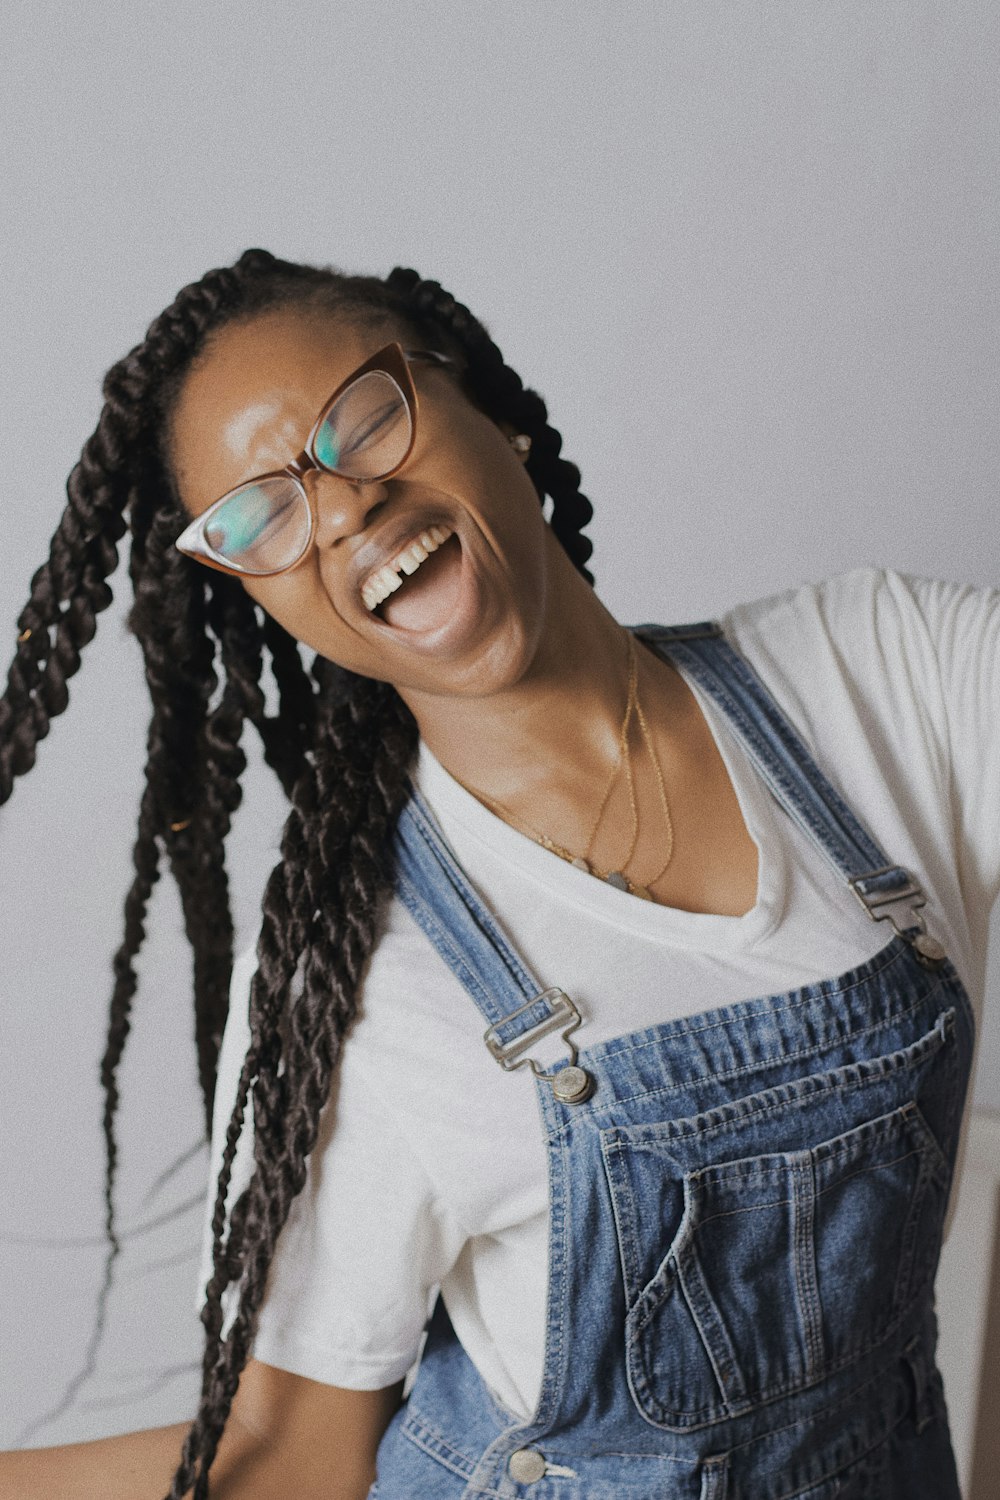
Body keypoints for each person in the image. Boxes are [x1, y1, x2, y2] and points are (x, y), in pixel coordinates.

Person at [0, 248, 996, 1500]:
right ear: (260, 595)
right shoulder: (355, 971)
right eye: (261, 512)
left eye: (360, 420)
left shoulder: (876, 678)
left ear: (493, 413)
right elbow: (288, 1458)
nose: (342, 505)